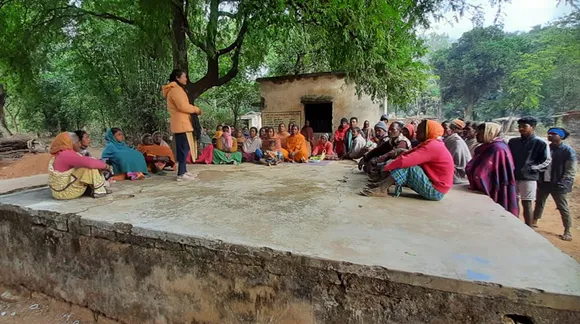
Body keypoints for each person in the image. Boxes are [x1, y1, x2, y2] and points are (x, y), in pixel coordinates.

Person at [360, 120, 454, 201]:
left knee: (408, 166)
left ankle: (382, 188)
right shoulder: (430, 143)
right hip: (434, 184)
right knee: (401, 158)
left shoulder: (433, 146)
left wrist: (386, 168)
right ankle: (382, 184)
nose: (416, 132)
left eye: (419, 131)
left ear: (427, 132)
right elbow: (409, 153)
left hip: (436, 191)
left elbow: (405, 161)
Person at [466, 123, 518, 216]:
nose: (477, 135)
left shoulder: (496, 148)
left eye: (481, 132)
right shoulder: (488, 146)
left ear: (490, 133)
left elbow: (481, 173)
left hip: (495, 185)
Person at [533, 127, 577, 241]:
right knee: (539, 203)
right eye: (549, 133)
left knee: (562, 207)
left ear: (561, 136)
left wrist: (564, 182)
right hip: (545, 182)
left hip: (558, 183)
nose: (550, 135)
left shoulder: (568, 151)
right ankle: (533, 222)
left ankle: (567, 231)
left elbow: (571, 170)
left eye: (553, 134)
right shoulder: (546, 148)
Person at [508, 117, 552, 226]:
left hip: (528, 178)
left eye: (524, 126)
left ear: (533, 127)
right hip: (514, 176)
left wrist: (532, 168)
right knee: (514, 201)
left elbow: (546, 160)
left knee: (527, 203)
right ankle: (515, 223)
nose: (521, 129)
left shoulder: (540, 143)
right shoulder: (513, 142)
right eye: (519, 126)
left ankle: (529, 227)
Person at [162, 69, 202, 181]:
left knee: (184, 148)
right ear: (177, 78)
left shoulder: (178, 89)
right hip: (181, 124)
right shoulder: (175, 90)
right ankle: (180, 174)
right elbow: (182, 106)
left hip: (183, 123)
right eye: (184, 77)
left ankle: (184, 171)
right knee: (183, 149)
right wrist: (196, 109)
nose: (186, 79)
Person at [48, 132, 110, 199]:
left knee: (89, 164)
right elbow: (89, 163)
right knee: (89, 167)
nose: (79, 144)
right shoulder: (66, 154)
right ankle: (99, 190)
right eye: (77, 142)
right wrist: (105, 166)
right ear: (70, 142)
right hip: (65, 192)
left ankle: (93, 189)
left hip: (59, 191)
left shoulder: (60, 154)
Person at [443, 119, 472, 184]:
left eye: (446, 128)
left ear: (453, 130)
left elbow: (449, 161)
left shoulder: (456, 142)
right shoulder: (449, 140)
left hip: (459, 175)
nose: (443, 130)